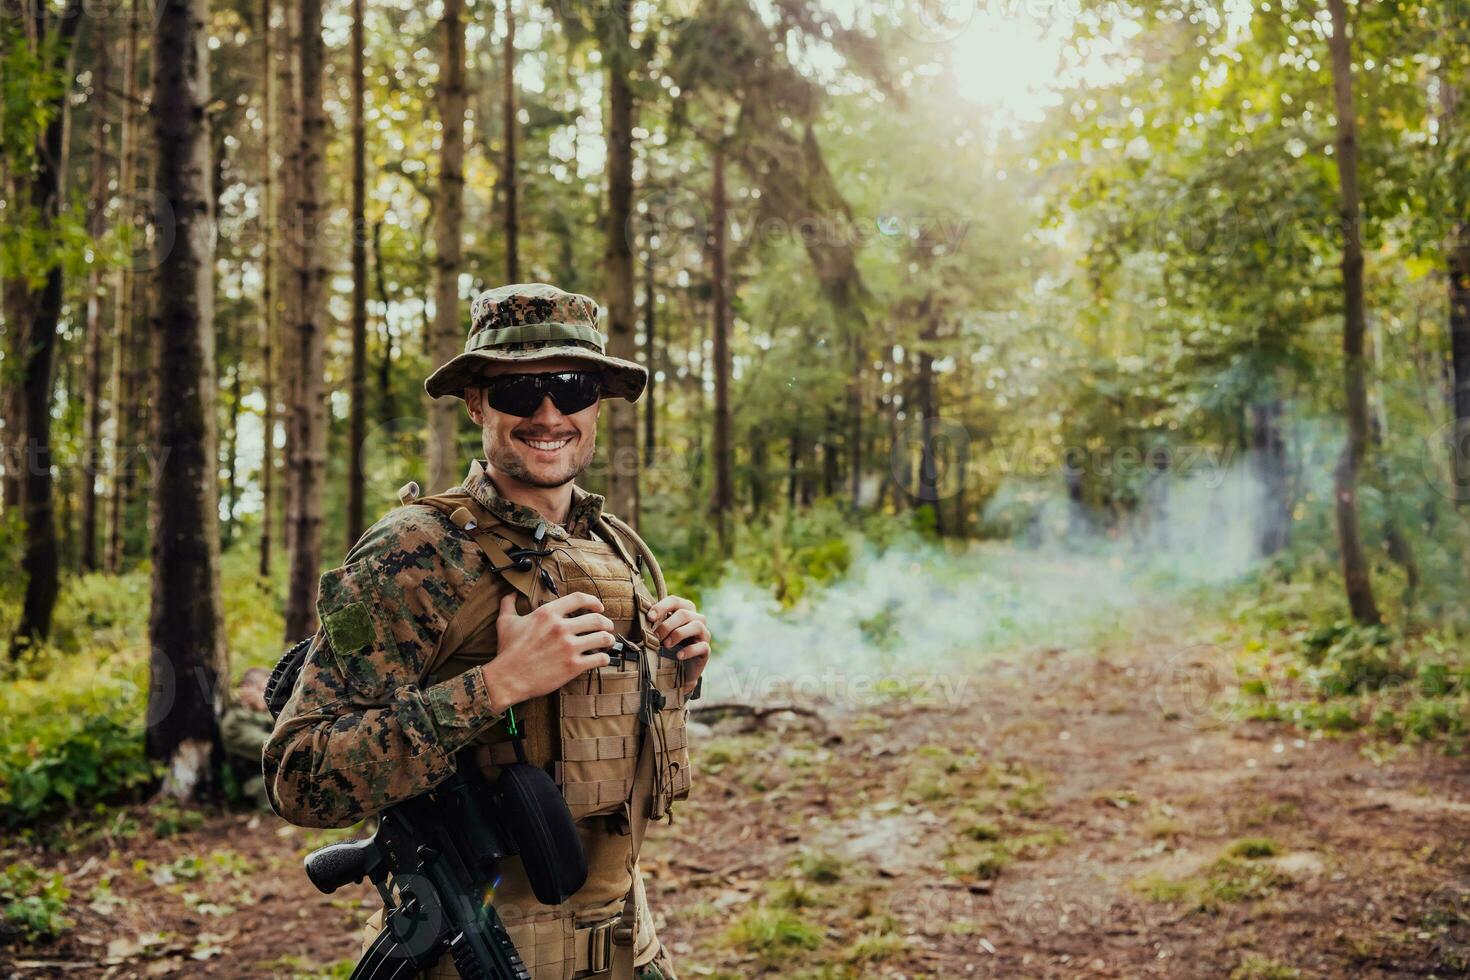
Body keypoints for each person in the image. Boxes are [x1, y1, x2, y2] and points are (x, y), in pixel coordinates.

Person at [262, 283, 711, 980]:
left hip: (628, 949)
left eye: (571, 384)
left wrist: (677, 664)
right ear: (475, 402)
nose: (549, 412)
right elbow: (302, 775)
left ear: (598, 401)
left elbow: (601, 738)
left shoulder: (608, 544)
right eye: (519, 390)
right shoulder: (411, 551)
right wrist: (496, 685)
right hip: (480, 957)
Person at [220, 667, 273, 805]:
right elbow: (274, 746)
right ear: (246, 689)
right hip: (258, 785)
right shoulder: (234, 723)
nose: (269, 696)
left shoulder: (264, 715)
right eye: (263, 690)